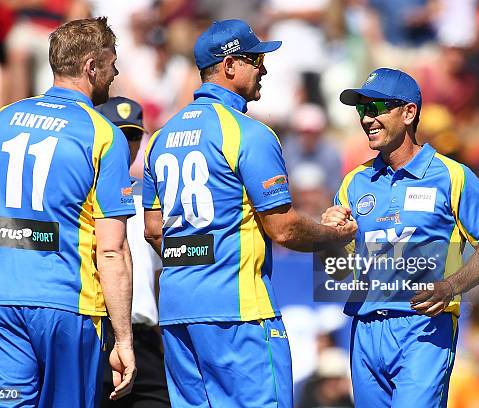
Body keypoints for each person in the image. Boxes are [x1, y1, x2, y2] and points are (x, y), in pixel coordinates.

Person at [142, 19, 357, 408]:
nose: (264, 68)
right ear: (229, 66)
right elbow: (285, 229)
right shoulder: (249, 133)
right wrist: (337, 236)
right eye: (255, 59)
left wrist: (195, 262)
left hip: (177, 312)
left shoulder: (161, 137)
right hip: (239, 312)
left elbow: (154, 230)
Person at [320, 68, 479, 407]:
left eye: (377, 108)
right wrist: (330, 238)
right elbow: (337, 271)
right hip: (365, 328)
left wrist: (451, 286)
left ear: (408, 113)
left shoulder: (452, 175)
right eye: (362, 110)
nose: (367, 119)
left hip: (424, 327)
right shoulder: (353, 182)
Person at [0, 17, 136, 407]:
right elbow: (111, 250)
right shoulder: (103, 133)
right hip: (68, 304)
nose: (115, 73)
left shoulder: (1, 120)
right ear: (91, 66)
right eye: (112, 63)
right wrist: (124, 340)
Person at [96, 96, 170, 408]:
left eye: (133, 135)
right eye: (116, 134)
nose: (125, 144)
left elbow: (158, 272)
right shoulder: (79, 192)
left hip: (145, 336)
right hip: (97, 332)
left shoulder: (149, 200)